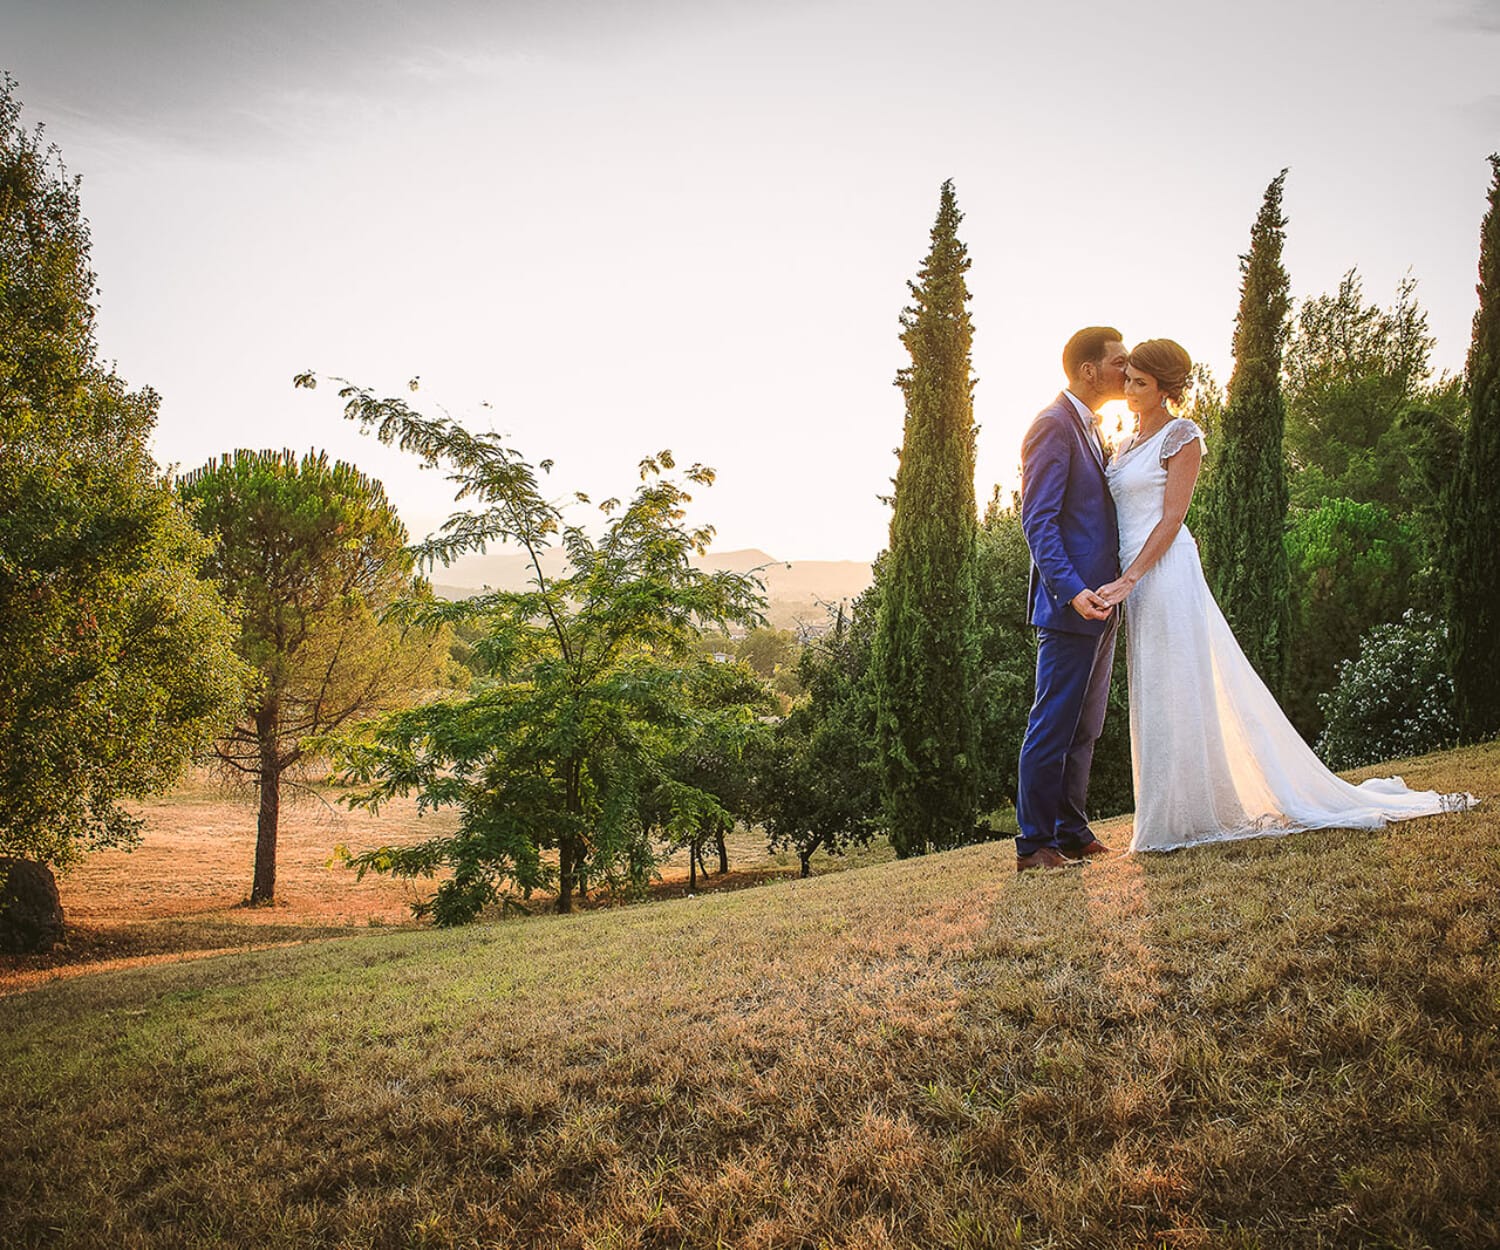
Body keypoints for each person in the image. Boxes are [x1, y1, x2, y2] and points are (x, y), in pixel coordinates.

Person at [1098, 338, 1472, 851]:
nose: (1129, 389)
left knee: (1178, 682)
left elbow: (1173, 518)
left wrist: (1131, 578)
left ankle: (1189, 815)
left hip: (1162, 571)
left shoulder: (1181, 436)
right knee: (1155, 686)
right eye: (1128, 379)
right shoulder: (1123, 443)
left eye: (1140, 382)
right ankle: (1175, 809)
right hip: (1133, 574)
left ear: (1165, 389)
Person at [1014, 326, 1128, 872]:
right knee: (1052, 724)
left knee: (1086, 726)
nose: (1126, 370)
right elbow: (1038, 521)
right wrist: (1073, 591)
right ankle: (1034, 843)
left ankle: (1072, 829)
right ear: (1088, 370)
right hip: (1071, 605)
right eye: (1118, 362)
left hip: (1104, 602)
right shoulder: (1052, 425)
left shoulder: (1092, 428)